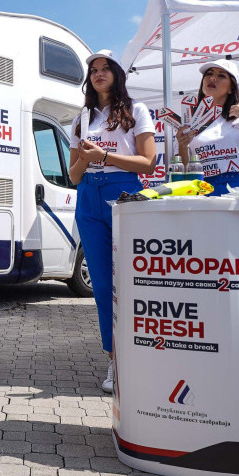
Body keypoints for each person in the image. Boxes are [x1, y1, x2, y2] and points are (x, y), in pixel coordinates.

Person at [67, 49, 156, 394]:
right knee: (103, 286)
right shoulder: (81, 118)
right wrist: (86, 158)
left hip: (124, 192)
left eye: (106, 68)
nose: (99, 74)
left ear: (118, 74)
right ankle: (114, 358)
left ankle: (143, 355)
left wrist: (104, 155)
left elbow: (148, 162)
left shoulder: (137, 110)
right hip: (88, 197)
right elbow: (74, 176)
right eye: (93, 70)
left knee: (132, 283)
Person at [174, 57, 239, 196]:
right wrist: (182, 146)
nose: (213, 78)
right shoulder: (189, 119)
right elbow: (182, 172)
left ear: (231, 88)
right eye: (209, 74)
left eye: (221, 76)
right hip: (201, 187)